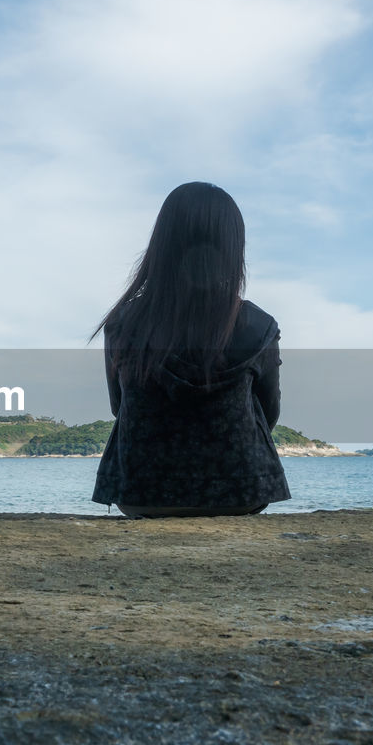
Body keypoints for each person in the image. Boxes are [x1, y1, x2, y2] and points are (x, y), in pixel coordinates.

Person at [90, 181, 290, 518]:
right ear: (232, 248)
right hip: (241, 493)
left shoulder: (123, 323)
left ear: (163, 244)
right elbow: (268, 414)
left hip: (141, 495)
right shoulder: (258, 326)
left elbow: (119, 407)